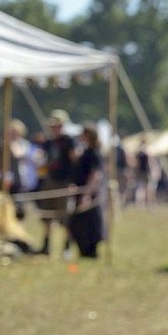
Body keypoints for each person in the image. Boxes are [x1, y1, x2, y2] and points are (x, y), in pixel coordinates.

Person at [36, 109, 76, 256]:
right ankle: (46, 246)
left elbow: (74, 162)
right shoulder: (48, 142)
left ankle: (66, 248)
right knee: (47, 215)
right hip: (49, 181)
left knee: (64, 217)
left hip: (64, 182)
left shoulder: (69, 141)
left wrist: (72, 181)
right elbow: (42, 160)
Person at [66, 123, 105, 258]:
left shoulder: (94, 153)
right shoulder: (85, 152)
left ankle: (91, 251)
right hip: (80, 192)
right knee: (76, 223)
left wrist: (86, 194)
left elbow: (96, 174)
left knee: (90, 223)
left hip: (88, 193)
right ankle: (83, 250)